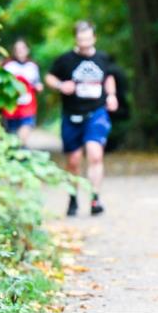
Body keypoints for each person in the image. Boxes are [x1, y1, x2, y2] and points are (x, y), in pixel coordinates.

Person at [45, 20, 119, 217]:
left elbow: (109, 77)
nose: (84, 43)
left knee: (95, 154)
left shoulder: (103, 58)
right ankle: (73, 198)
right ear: (76, 39)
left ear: (94, 38)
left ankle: (95, 198)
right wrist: (61, 86)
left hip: (96, 113)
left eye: (88, 38)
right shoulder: (65, 60)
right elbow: (49, 77)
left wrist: (111, 95)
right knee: (74, 160)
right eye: (80, 39)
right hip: (71, 114)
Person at [1, 38, 43, 148]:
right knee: (11, 137)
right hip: (11, 107)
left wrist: (39, 87)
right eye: (17, 49)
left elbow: (37, 83)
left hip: (28, 107)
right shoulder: (8, 66)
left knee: (22, 136)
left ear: (27, 50)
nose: (20, 51)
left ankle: (22, 155)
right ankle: (16, 157)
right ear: (14, 51)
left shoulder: (33, 66)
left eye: (23, 48)